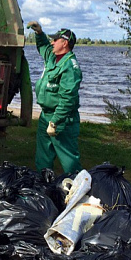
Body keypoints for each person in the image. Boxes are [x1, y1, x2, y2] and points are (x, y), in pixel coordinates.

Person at [26, 21, 83, 174]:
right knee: (43, 157)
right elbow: (43, 47)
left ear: (64, 43)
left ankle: (78, 190)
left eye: (55, 40)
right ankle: (44, 186)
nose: (52, 42)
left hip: (62, 120)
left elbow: (68, 98)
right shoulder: (53, 56)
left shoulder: (70, 66)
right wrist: (39, 34)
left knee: (69, 159)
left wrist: (56, 121)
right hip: (46, 115)